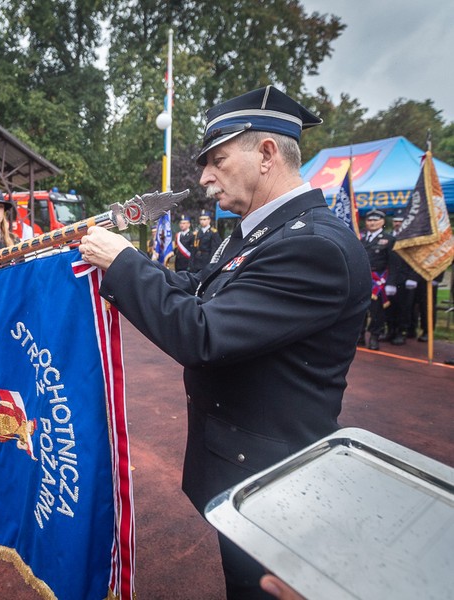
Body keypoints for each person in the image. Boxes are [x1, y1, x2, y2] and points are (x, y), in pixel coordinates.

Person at [78, 85, 371, 599]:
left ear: (266, 153)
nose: (205, 178)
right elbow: (196, 289)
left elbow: (202, 333)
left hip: (276, 483)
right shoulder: (260, 232)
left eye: (217, 160)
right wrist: (124, 262)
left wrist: (123, 263)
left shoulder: (313, 245)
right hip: (245, 472)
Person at [360, 209, 397, 350]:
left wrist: (391, 283)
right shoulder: (361, 238)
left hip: (378, 280)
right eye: (369, 220)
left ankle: (374, 337)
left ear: (382, 222)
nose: (372, 223)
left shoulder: (389, 239)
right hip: (362, 279)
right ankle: (360, 336)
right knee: (360, 310)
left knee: (376, 312)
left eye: (375, 220)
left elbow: (394, 263)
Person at [387, 210, 418, 345]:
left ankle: (402, 332)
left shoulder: (411, 238)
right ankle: (391, 331)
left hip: (406, 279)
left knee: (404, 307)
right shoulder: (389, 237)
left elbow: (417, 259)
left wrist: (413, 277)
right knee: (390, 307)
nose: (397, 224)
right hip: (391, 278)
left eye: (400, 221)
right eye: (395, 221)